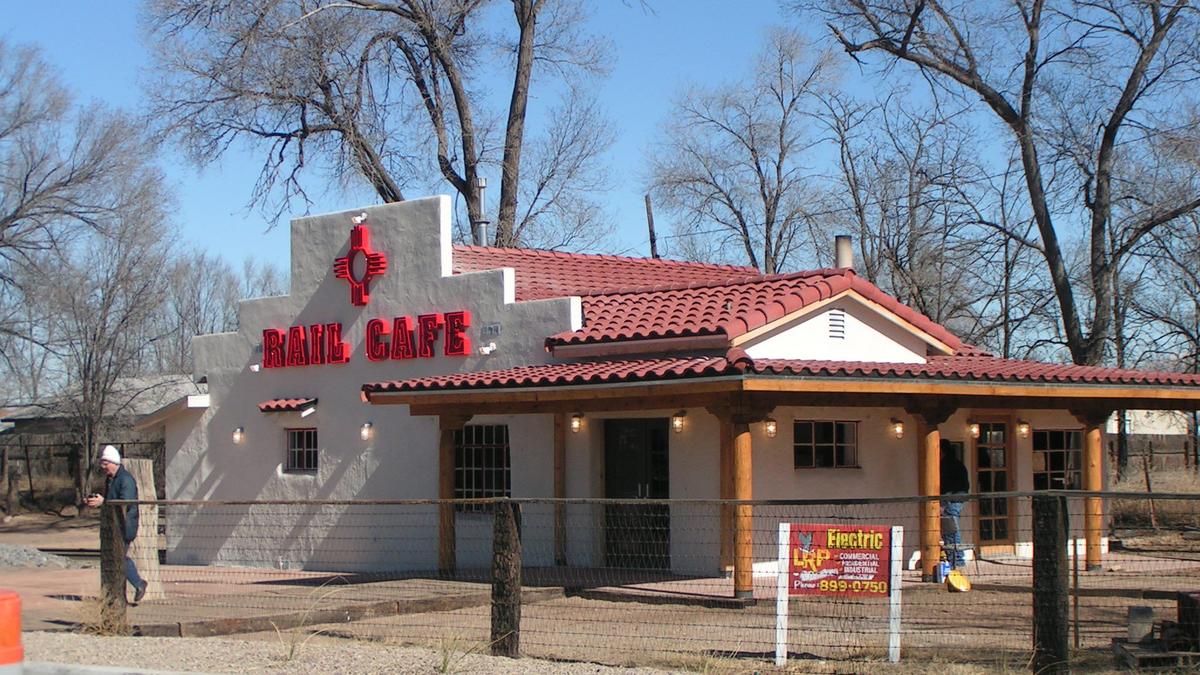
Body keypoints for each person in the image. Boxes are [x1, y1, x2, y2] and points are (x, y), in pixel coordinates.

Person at [84, 445, 147, 603]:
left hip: (125, 526)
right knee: (117, 558)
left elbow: (126, 503)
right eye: (102, 463)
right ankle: (121, 593)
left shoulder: (125, 480)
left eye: (105, 463)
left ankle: (138, 584)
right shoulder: (112, 480)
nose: (103, 467)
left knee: (119, 558)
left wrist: (104, 502)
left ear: (114, 462)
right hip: (114, 526)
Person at [939, 439, 970, 569]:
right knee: (952, 527)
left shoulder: (946, 464)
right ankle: (955, 558)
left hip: (951, 498)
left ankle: (956, 559)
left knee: (951, 528)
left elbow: (945, 484)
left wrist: (942, 501)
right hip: (958, 496)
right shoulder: (957, 463)